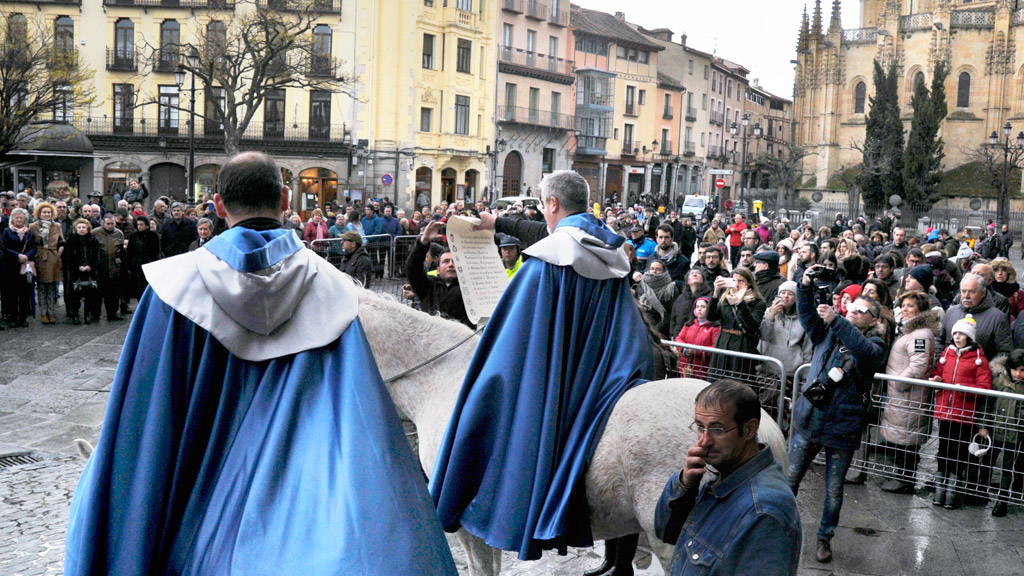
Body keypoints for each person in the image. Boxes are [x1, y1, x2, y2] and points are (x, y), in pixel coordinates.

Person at [64, 151, 456, 575]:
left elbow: (143, 423)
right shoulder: (335, 291)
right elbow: (361, 426)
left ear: (218, 206)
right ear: (285, 199)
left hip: (195, 517)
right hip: (302, 522)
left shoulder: (172, 289)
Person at [431, 170, 655, 560]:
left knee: (479, 401)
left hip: (559, 378)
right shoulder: (610, 249)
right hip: (605, 374)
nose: (543, 213)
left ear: (552, 203)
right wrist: (498, 222)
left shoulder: (544, 263)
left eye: (542, 204)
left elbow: (512, 346)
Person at [789, 265, 888, 564]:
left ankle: (824, 537)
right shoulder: (828, 333)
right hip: (810, 419)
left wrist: (837, 320)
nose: (853, 312)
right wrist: (804, 285)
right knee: (790, 480)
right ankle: (779, 524)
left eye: (861, 310)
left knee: (833, 491)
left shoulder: (876, 345)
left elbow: (863, 351)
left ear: (874, 320)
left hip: (843, 426)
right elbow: (807, 316)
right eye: (851, 307)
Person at [654, 380, 801, 576]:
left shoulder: (764, 512)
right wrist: (684, 485)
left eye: (717, 430)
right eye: (700, 427)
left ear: (749, 430)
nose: (704, 441)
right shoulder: (725, 475)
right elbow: (666, 532)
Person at [878, 291, 940, 494]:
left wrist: (899, 383)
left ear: (921, 310)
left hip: (908, 396)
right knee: (902, 438)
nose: (905, 309)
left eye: (910, 306)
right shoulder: (911, 331)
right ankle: (902, 476)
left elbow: (918, 366)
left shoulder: (920, 334)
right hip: (901, 396)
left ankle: (905, 480)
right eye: (903, 305)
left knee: (907, 441)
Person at [930, 316, 992, 509]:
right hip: (945, 412)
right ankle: (940, 488)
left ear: (970, 337)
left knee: (958, 452)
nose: (957, 337)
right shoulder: (947, 353)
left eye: (962, 334)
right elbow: (937, 373)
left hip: (964, 414)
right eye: (955, 333)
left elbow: (984, 387)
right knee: (943, 450)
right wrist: (937, 380)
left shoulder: (979, 360)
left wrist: (963, 388)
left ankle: (952, 490)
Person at [706, 267, 767, 383]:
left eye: (741, 281)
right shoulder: (725, 297)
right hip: (723, 342)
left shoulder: (757, 302)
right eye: (734, 280)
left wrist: (740, 302)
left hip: (742, 344)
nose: (737, 284)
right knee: (717, 381)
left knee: (737, 383)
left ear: (749, 283)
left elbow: (752, 326)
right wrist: (715, 293)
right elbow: (710, 317)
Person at [758, 281, 812, 411]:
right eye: (782, 293)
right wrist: (771, 316)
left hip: (791, 372)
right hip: (768, 370)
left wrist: (805, 379)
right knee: (766, 407)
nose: (785, 296)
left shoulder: (803, 318)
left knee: (786, 410)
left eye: (790, 294)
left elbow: (807, 349)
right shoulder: (769, 312)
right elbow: (763, 336)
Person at [405, 221, 470, 327]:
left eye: (455, 261)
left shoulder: (469, 287)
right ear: (438, 270)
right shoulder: (428, 286)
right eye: (446, 261)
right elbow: (412, 268)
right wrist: (424, 241)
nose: (451, 264)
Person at [984, 349, 1024, 517]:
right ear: (1009, 367)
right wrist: (983, 425)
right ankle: (982, 490)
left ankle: (1002, 500)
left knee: (1007, 468)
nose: (1019, 374)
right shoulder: (998, 380)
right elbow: (987, 403)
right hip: (995, 430)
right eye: (1016, 370)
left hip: (1014, 434)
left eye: (1022, 370)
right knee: (987, 461)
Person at [29, 202, 64, 325]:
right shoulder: (33, 226)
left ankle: (51, 312)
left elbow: (61, 241)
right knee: (42, 286)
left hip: (53, 257)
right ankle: (43, 313)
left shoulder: (57, 225)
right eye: (44, 212)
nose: (47, 214)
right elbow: (31, 243)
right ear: (39, 213)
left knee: (52, 285)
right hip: (40, 257)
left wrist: (59, 252)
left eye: (49, 212)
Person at [62, 218, 101, 325]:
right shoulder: (71, 241)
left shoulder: (93, 241)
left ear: (88, 229)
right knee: (75, 295)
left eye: (84, 227)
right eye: (79, 227)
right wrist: (78, 266)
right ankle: (75, 314)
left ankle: (87, 315)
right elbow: (69, 257)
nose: (81, 229)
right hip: (76, 272)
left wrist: (90, 266)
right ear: (75, 229)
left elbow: (96, 256)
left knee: (89, 294)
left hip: (90, 272)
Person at [2, 208, 36, 327]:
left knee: (24, 293)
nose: (19, 220)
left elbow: (34, 247)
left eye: (21, 218)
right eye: (17, 218)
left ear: (24, 219)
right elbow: (4, 247)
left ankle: (23, 318)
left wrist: (27, 256)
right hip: (11, 266)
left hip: (25, 266)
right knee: (12, 293)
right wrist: (17, 255)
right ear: (12, 219)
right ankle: (13, 318)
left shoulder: (29, 232)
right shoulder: (7, 231)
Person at [673, 297, 720, 379]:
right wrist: (684, 349)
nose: (699, 309)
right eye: (697, 307)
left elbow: (715, 347)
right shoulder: (688, 324)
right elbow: (679, 339)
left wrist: (696, 351)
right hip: (685, 368)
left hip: (703, 370)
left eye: (703, 307)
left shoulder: (715, 328)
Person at [125, 215, 161, 302]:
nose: (139, 227)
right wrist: (129, 266)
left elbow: (156, 252)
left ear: (147, 225)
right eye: (138, 225)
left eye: (141, 225)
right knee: (138, 288)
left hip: (149, 264)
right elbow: (130, 251)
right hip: (137, 265)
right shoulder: (134, 236)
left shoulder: (153, 236)